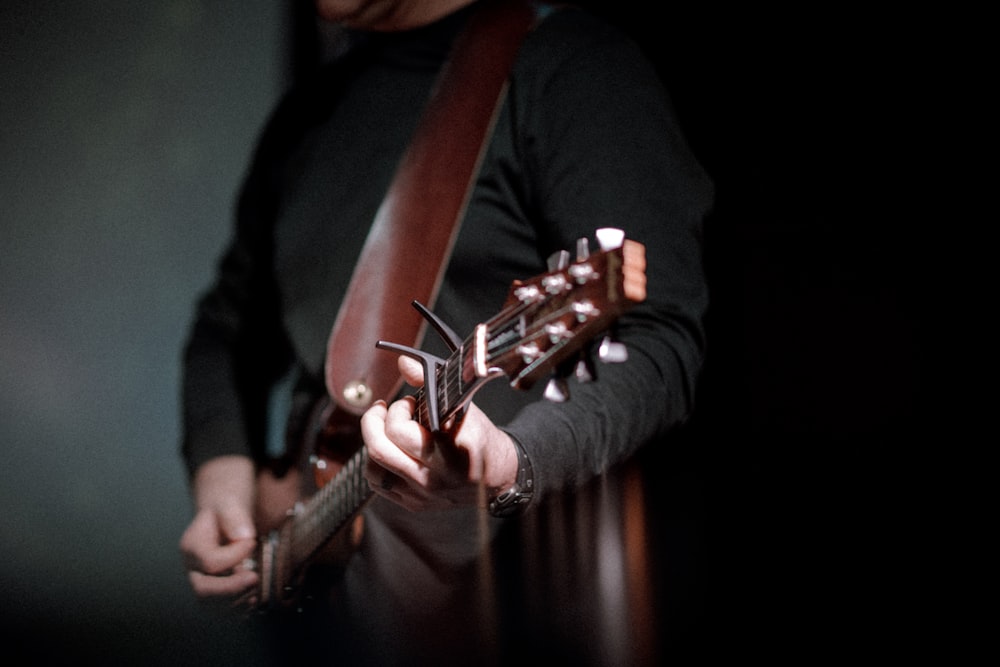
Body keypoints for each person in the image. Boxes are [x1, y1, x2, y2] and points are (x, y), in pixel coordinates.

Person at [178, 0, 712, 663]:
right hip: (325, 616)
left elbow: (659, 342)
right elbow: (225, 333)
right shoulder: (304, 118)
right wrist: (225, 493)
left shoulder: (570, 67)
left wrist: (513, 460)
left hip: (500, 613)